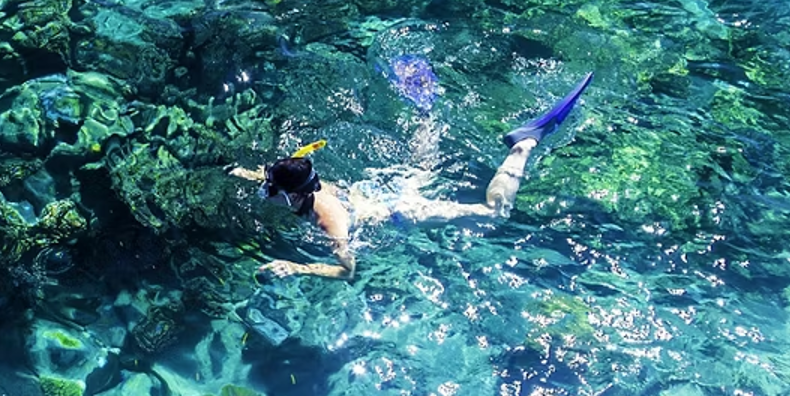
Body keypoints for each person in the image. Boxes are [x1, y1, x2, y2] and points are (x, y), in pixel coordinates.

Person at [229, 73, 592, 278]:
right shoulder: (297, 174)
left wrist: (296, 267)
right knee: (423, 165)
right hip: (383, 188)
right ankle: (427, 109)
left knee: (493, 212)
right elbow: (271, 176)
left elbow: (347, 271)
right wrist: (237, 172)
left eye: (269, 189)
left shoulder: (330, 221)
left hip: (404, 212)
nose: (265, 190)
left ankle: (523, 145)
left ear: (291, 195)